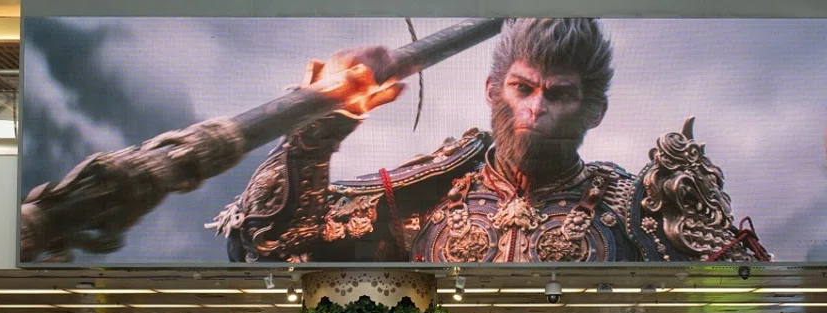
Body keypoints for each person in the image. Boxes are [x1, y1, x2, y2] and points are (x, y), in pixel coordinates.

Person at [214, 19, 768, 264]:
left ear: (594, 109)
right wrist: (320, 128)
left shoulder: (632, 205)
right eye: (522, 87)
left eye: (560, 93)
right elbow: (267, 239)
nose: (535, 107)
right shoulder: (427, 193)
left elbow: (733, 294)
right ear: (491, 91)